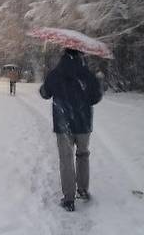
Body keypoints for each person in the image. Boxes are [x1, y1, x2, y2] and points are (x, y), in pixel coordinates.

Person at [40, 48, 103, 212]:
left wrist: (46, 86)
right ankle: (82, 190)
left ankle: (68, 199)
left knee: (66, 159)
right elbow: (96, 98)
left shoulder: (56, 73)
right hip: (83, 124)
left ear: (63, 55)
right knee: (83, 155)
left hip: (63, 124)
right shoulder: (88, 75)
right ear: (80, 55)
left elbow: (45, 93)